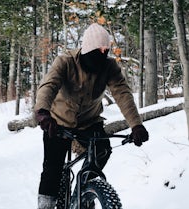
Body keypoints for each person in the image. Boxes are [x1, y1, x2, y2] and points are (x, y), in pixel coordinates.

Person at [34, 23, 149, 209]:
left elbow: (122, 93)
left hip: (90, 123)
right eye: (99, 49)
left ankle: (85, 192)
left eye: (106, 49)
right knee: (52, 170)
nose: (103, 54)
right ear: (87, 48)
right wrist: (43, 113)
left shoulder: (109, 66)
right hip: (58, 122)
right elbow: (49, 86)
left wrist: (136, 125)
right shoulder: (65, 61)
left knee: (102, 150)